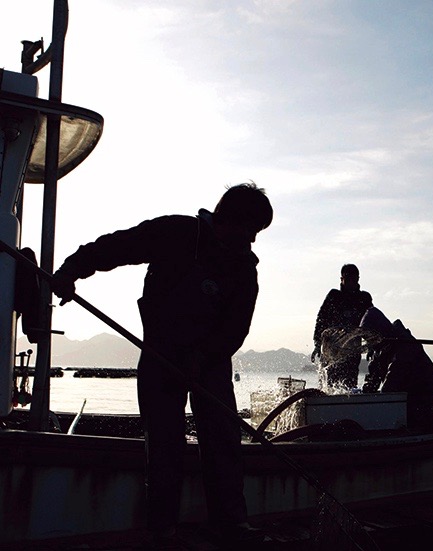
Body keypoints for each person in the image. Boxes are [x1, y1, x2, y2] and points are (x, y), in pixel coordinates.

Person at [50, 182, 273, 547]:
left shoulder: (244, 269)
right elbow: (116, 247)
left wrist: (202, 358)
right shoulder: (176, 232)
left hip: (211, 363)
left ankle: (231, 523)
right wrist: (72, 269)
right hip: (160, 357)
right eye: (250, 230)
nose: (252, 241)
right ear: (227, 219)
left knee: (223, 441)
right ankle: (161, 529)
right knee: (164, 444)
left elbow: (236, 328)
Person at [359, 306, 433, 429]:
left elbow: (395, 375)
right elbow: (373, 378)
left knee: (409, 422)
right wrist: (364, 395)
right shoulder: (380, 347)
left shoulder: (405, 344)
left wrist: (381, 401)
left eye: (369, 336)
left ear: (379, 331)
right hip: (405, 394)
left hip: (422, 394)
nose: (368, 340)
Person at [311, 264, 373, 391]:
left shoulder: (364, 299)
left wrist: (372, 346)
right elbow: (321, 319)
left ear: (358, 279)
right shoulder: (334, 296)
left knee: (349, 387)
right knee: (329, 385)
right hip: (331, 351)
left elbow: (371, 323)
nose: (351, 282)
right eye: (348, 278)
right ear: (342, 279)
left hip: (352, 351)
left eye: (354, 278)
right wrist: (317, 343)